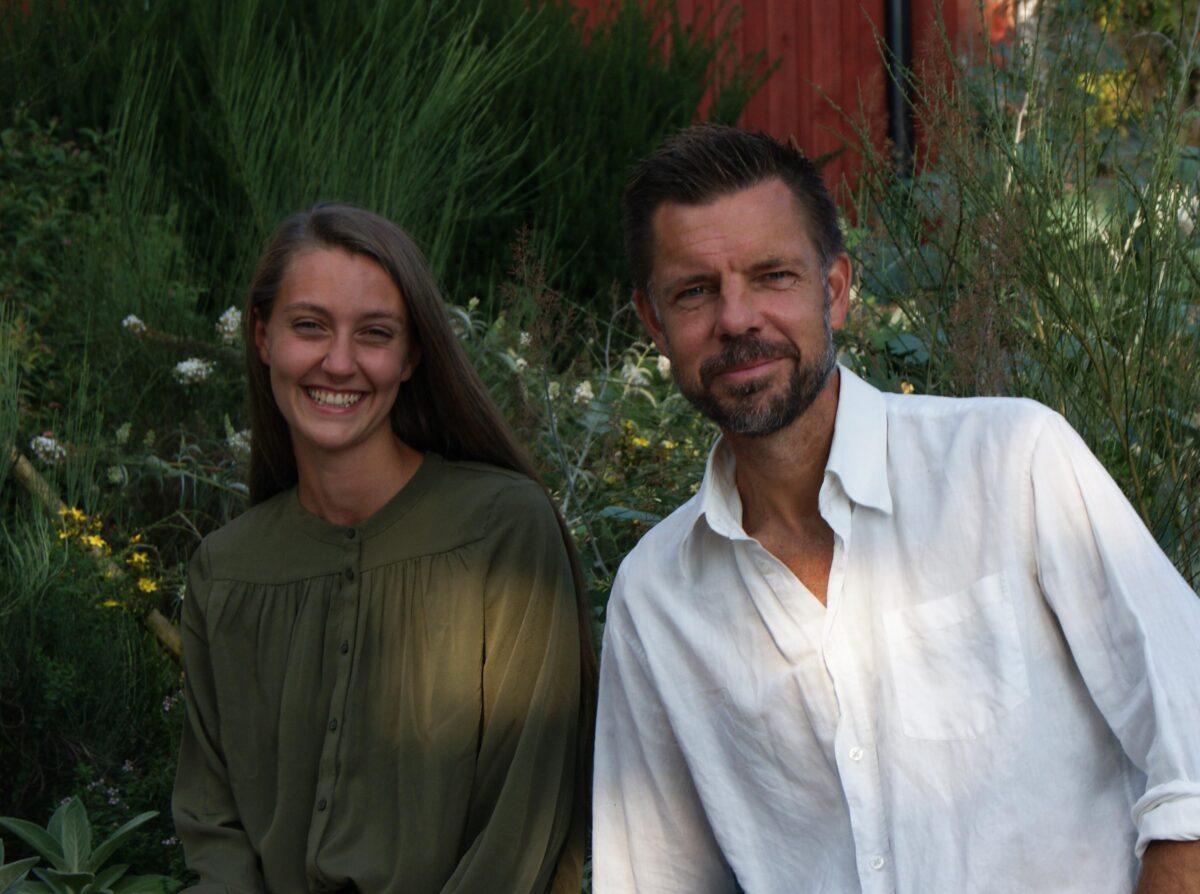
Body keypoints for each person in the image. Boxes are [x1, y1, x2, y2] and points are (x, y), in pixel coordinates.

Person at [592, 124, 1200, 893]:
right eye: (695, 291)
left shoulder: (1010, 465)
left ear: (835, 290)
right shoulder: (657, 600)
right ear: (654, 323)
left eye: (772, 276)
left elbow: (1192, 754)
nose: (737, 318)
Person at [172, 204, 596, 893]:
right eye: (310, 326)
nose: (339, 362)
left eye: (374, 334)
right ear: (262, 336)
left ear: (411, 356)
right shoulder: (224, 572)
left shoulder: (505, 530)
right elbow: (211, 825)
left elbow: (520, 828)